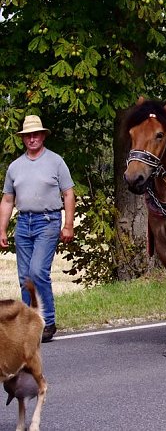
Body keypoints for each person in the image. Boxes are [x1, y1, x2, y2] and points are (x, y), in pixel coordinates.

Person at [0, 115, 75, 343]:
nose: (32, 139)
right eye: (28, 136)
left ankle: (47, 322)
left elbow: (68, 193)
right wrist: (2, 230)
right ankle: (29, 323)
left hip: (48, 221)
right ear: (23, 139)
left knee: (37, 271)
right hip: (24, 223)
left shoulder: (56, 162)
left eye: (36, 135)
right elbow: (7, 200)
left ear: (43, 136)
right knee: (25, 276)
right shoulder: (15, 167)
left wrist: (68, 224)